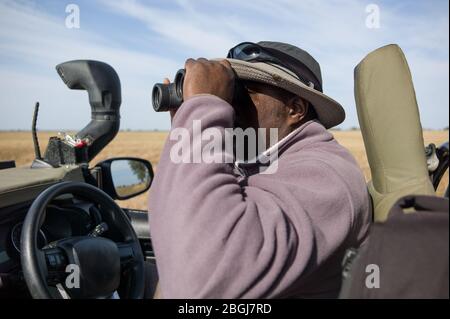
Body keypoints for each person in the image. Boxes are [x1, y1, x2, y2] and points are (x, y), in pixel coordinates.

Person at [149, 41, 371, 298]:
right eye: (228, 93)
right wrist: (189, 129)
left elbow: (199, 286)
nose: (229, 105)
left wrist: (203, 111)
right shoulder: (264, 161)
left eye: (242, 93)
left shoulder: (325, 175)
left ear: (295, 109)